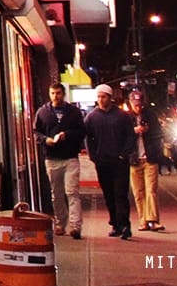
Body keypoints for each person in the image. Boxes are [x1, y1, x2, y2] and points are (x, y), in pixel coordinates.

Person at [33, 81, 85, 239]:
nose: (56, 96)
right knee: (57, 193)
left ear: (63, 94)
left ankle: (75, 225)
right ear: (50, 94)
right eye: (53, 93)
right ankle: (60, 223)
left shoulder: (74, 112)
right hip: (52, 158)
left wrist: (66, 135)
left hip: (70, 158)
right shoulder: (43, 112)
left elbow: (82, 131)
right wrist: (46, 140)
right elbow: (36, 132)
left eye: (58, 93)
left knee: (72, 191)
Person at [83, 83, 136, 239]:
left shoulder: (121, 116)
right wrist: (93, 156)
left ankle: (125, 224)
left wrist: (123, 154)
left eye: (103, 97)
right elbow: (88, 138)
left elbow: (130, 136)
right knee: (108, 194)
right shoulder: (92, 117)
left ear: (110, 98)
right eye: (98, 97)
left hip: (119, 162)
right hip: (102, 161)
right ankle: (115, 223)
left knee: (120, 193)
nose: (100, 99)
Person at [125, 88, 165, 231]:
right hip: (134, 159)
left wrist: (148, 131)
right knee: (138, 192)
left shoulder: (150, 116)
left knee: (151, 190)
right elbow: (122, 137)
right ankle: (143, 220)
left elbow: (159, 135)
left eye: (140, 104)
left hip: (150, 158)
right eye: (135, 104)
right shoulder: (126, 119)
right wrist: (134, 131)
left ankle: (153, 220)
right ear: (130, 103)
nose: (138, 107)